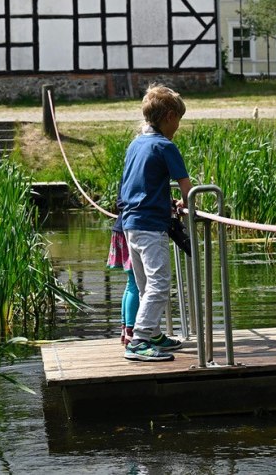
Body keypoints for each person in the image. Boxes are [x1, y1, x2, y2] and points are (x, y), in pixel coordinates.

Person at [120, 84, 192, 362]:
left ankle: (154, 334)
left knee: (143, 284)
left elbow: (137, 184)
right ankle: (139, 341)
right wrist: (186, 204)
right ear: (170, 116)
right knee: (159, 283)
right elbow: (188, 189)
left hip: (131, 223)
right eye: (179, 121)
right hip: (151, 226)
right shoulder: (165, 145)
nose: (178, 127)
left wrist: (165, 201)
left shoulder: (136, 143)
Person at [106, 192, 138, 346]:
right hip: (129, 228)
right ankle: (130, 332)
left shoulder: (128, 172)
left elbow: (120, 202)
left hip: (120, 227)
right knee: (135, 283)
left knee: (131, 282)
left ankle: (125, 328)